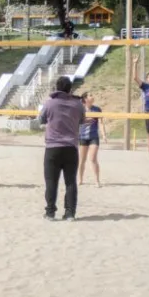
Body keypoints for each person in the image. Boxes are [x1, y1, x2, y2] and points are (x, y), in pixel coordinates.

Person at [38, 76, 85, 221]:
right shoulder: (78, 104)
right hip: (71, 147)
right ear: (70, 89)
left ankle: (50, 212)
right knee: (70, 181)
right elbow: (82, 120)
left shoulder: (50, 103)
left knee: (51, 181)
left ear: (56, 88)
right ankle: (70, 212)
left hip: (53, 146)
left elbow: (41, 119)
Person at [78, 91, 107, 187]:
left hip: (94, 137)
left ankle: (97, 180)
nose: (93, 96)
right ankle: (80, 179)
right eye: (90, 95)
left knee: (93, 158)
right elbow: (75, 122)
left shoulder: (97, 109)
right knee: (82, 160)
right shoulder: (80, 109)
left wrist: (104, 135)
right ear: (85, 99)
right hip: (82, 136)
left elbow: (101, 123)